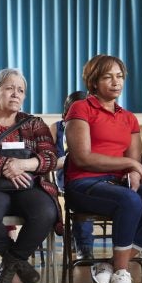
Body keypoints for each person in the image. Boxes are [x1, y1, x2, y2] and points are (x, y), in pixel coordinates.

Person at [64, 54, 142, 283]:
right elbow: (82, 157)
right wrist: (130, 164)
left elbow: (134, 162)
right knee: (130, 200)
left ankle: (110, 266)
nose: (116, 82)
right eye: (108, 77)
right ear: (93, 82)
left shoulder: (129, 118)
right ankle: (122, 273)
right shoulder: (80, 108)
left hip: (116, 183)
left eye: (120, 76)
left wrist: (133, 170)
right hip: (83, 183)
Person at [0, 69, 59, 283]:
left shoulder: (34, 123)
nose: (15, 94)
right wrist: (4, 166)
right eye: (10, 88)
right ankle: (19, 263)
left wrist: (23, 165)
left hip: (26, 184)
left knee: (46, 213)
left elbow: (49, 158)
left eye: (21, 90)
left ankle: (9, 265)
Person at [50, 90, 94, 259]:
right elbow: (48, 158)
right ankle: (84, 245)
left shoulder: (94, 124)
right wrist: (69, 158)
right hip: (66, 173)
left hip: (94, 171)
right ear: (64, 114)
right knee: (82, 190)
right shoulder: (56, 128)